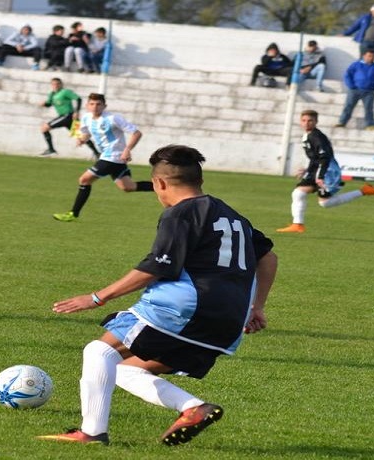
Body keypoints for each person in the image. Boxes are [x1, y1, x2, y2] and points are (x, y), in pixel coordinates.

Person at [38, 144, 278, 446]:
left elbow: (156, 267)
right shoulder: (233, 217)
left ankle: (91, 433)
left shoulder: (180, 214)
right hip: (228, 325)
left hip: (183, 308)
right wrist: (257, 307)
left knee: (99, 352)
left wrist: (98, 297)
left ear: (160, 183)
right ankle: (194, 408)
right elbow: (268, 257)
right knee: (125, 371)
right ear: (198, 179)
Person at [276, 110, 374, 233]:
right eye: (304, 120)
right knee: (298, 193)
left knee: (325, 203)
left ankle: (364, 191)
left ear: (316, 122)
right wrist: (308, 170)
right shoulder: (309, 135)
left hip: (328, 172)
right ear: (300, 121)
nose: (306, 123)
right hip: (318, 170)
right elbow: (315, 157)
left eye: (310, 120)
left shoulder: (316, 137)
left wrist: (320, 176)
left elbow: (324, 157)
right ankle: (298, 225)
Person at [52, 93, 152, 222]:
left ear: (104, 105)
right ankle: (163, 187)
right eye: (92, 104)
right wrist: (82, 140)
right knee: (128, 187)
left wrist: (127, 150)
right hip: (110, 157)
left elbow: (136, 133)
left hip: (113, 156)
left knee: (84, 180)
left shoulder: (113, 118)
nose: (95, 107)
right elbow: (87, 133)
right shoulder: (86, 118)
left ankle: (73, 213)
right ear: (87, 106)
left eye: (99, 104)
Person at [334, 49, 374, 130]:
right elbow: (348, 75)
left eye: (373, 56)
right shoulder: (356, 65)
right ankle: (342, 122)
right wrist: (351, 85)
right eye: (369, 56)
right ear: (364, 56)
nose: (371, 58)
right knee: (348, 106)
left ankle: (370, 125)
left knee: (369, 109)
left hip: (369, 92)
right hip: (354, 90)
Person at [37, 78, 81, 157]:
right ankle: (97, 153)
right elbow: (49, 104)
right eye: (53, 84)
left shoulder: (65, 92)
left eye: (57, 84)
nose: (56, 86)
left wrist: (76, 111)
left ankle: (51, 150)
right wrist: (44, 104)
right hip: (64, 117)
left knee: (44, 128)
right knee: (80, 136)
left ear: (61, 84)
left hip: (68, 115)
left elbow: (78, 99)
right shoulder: (52, 94)